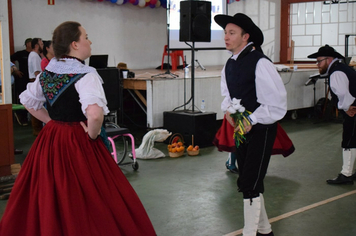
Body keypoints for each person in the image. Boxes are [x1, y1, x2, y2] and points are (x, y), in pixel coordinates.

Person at [0, 21, 156, 236]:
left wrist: (51, 121)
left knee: (50, 191)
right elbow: (94, 114)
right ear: (74, 44)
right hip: (77, 140)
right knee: (90, 194)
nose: (90, 41)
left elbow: (29, 102)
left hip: (51, 139)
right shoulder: (86, 74)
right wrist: (91, 136)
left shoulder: (47, 73)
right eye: (86, 37)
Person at [214, 13, 287, 236]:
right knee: (248, 180)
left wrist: (250, 120)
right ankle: (265, 231)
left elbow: (276, 104)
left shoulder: (261, 63)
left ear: (245, 37)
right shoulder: (229, 64)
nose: (226, 37)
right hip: (241, 130)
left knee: (250, 183)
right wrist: (229, 112)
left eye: (232, 33)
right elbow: (228, 94)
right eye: (225, 32)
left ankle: (250, 233)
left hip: (262, 129)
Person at [308, 44, 356, 185]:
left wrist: (346, 108)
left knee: (349, 140)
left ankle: (346, 174)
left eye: (319, 61)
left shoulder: (336, 72)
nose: (317, 65)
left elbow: (343, 94)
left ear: (329, 59)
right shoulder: (343, 69)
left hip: (353, 109)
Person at [28, 38, 44, 136]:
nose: (43, 45)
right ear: (37, 46)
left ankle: (38, 129)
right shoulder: (34, 56)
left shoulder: (36, 55)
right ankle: (37, 130)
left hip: (36, 80)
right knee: (37, 105)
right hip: (36, 81)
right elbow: (37, 72)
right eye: (41, 44)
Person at [11, 38, 32, 103]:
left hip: (32, 79)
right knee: (22, 97)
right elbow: (7, 59)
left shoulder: (35, 55)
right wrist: (15, 70)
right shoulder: (20, 53)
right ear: (27, 44)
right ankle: (21, 112)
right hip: (22, 78)